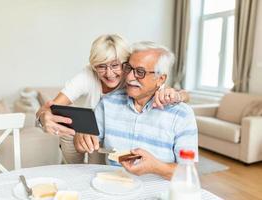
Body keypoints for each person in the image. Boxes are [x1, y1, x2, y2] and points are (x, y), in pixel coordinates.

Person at [36, 34, 189, 164]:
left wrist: (179, 95)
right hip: (90, 129)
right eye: (101, 66)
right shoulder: (88, 75)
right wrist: (43, 117)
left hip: (112, 138)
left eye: (115, 65)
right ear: (94, 66)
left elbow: (177, 94)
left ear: (126, 63)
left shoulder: (134, 76)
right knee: (82, 164)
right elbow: (51, 108)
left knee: (99, 165)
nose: (109, 73)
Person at [74, 41, 198, 180]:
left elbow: (190, 173)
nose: (129, 77)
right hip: (113, 186)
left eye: (140, 72)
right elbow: (84, 143)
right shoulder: (108, 103)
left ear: (160, 79)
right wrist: (81, 138)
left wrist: (156, 167)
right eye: (128, 68)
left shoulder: (182, 115)